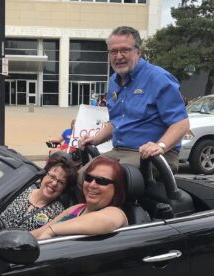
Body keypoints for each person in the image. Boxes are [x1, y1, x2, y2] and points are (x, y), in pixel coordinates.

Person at [79, 26, 190, 174]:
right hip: (119, 152)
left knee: (105, 179)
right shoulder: (113, 81)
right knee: (79, 176)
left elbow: (181, 123)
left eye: (124, 50)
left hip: (153, 155)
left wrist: (160, 146)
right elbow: (116, 122)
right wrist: (95, 140)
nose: (118, 56)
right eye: (113, 51)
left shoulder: (159, 78)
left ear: (138, 52)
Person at [31, 156, 128, 240]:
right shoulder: (77, 208)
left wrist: (52, 230)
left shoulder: (115, 212)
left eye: (102, 181)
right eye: (89, 178)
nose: (92, 185)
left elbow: (105, 221)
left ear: (117, 187)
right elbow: (40, 232)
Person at [0, 156, 78, 232]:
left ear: (64, 189)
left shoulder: (58, 214)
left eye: (61, 182)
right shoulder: (21, 190)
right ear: (44, 175)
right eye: (52, 177)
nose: (54, 183)